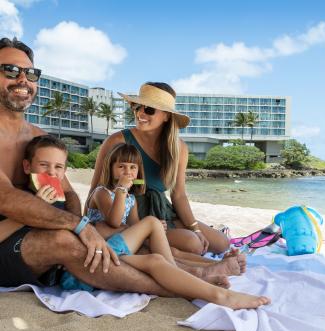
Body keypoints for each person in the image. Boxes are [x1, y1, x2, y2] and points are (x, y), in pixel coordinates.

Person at [0, 38, 270, 309]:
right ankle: (188, 286)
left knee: (140, 245)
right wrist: (79, 226)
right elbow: (7, 199)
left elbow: (69, 193)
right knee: (69, 240)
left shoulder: (40, 137)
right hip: (14, 240)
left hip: (58, 227)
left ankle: (195, 274)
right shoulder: (117, 141)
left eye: (30, 73)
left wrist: (77, 224)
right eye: (10, 70)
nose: (23, 79)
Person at [12, 135, 270, 309]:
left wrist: (150, 228)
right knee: (156, 252)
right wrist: (38, 206)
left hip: (106, 250)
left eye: (58, 168)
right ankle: (212, 289)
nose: (52, 173)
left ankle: (206, 270)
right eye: (44, 165)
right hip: (80, 266)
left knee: (160, 249)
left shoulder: (120, 199)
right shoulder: (101, 192)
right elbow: (113, 221)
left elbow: (127, 225)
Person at [91, 82, 230, 256]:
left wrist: (196, 228)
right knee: (193, 246)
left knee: (222, 243)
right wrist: (86, 230)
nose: (140, 113)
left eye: (149, 109)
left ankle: (182, 240)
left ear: (166, 116)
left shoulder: (179, 148)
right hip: (129, 213)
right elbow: (96, 188)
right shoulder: (117, 141)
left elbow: (178, 195)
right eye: (137, 107)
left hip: (162, 210)